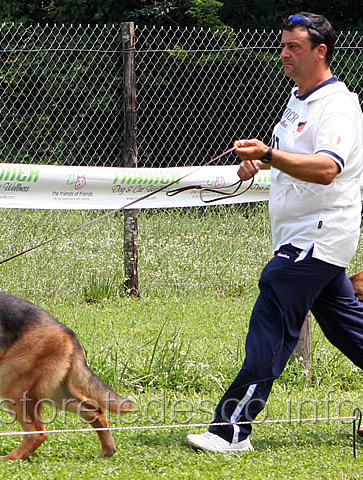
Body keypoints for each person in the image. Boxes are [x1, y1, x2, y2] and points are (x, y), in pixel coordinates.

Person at [185, 12, 363, 453]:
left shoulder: (338, 106)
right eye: (282, 45)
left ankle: (231, 430)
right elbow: (292, 156)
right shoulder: (299, 97)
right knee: (349, 331)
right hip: (302, 237)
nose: (283, 54)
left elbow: (327, 168)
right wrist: (261, 161)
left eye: (294, 47)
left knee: (271, 325)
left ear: (321, 51)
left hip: (316, 237)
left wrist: (270, 154)